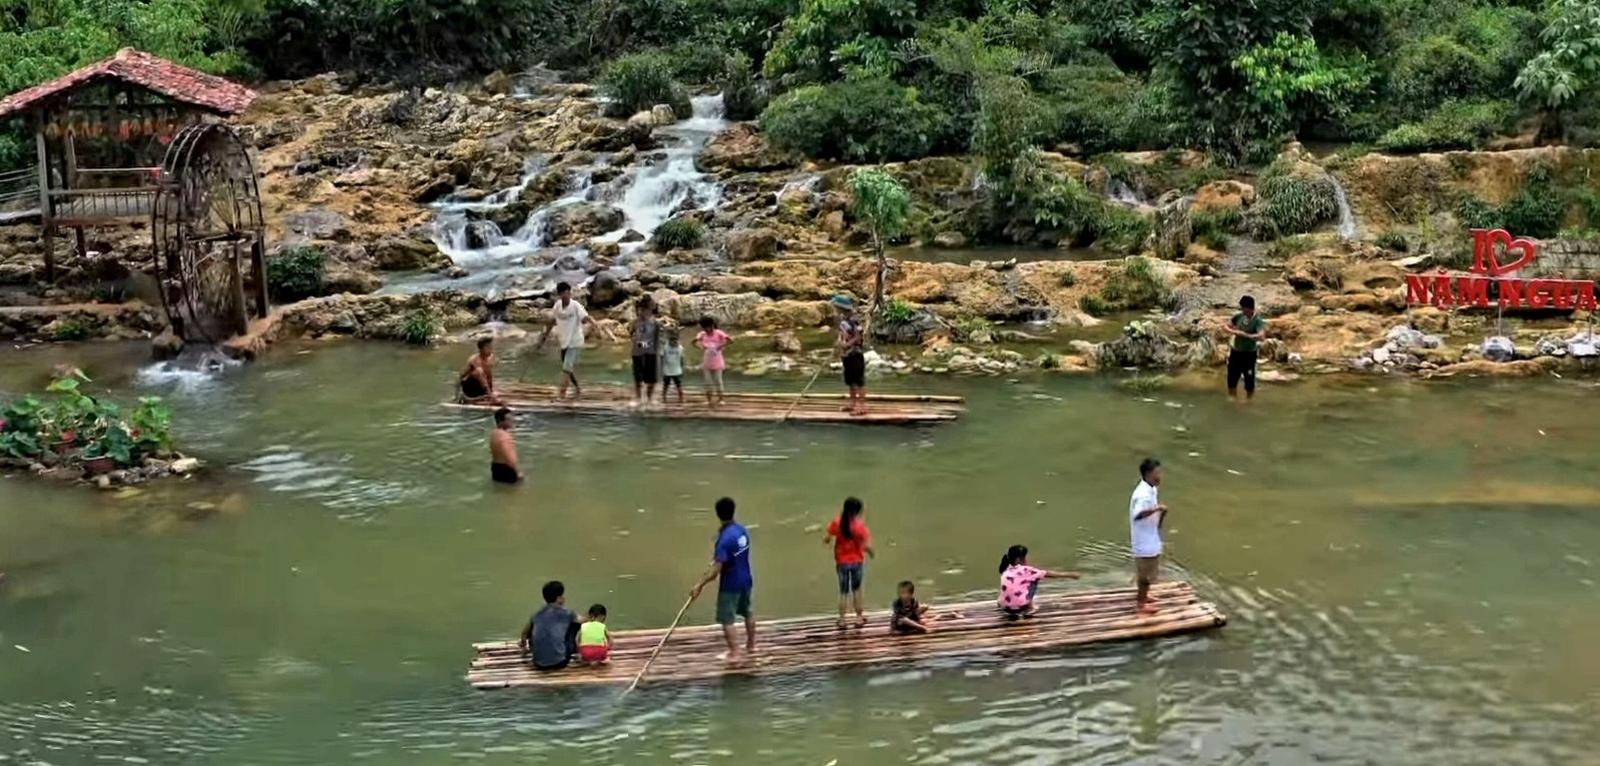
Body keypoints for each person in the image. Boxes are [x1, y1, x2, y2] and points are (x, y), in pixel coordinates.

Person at [690, 497, 755, 661]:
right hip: (746, 580)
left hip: (731, 585)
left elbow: (715, 572)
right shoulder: (742, 531)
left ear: (718, 514)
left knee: (727, 620)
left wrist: (699, 585)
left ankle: (735, 653)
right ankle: (751, 646)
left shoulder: (724, 540)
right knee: (747, 612)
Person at [536, 282, 608, 400]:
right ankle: (578, 387)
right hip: (564, 341)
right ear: (559, 294)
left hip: (575, 341)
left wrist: (597, 329)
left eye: (567, 293)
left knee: (566, 368)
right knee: (568, 368)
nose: (566, 295)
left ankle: (561, 394)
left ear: (570, 293)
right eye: (563, 293)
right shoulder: (558, 306)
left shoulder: (575, 306)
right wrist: (544, 336)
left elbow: (587, 318)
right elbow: (552, 321)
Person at [823, 497, 874, 629]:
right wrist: (871, 553)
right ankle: (859, 618)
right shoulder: (860, 526)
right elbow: (866, 546)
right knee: (856, 590)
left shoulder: (837, 522)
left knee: (843, 592)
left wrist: (829, 540)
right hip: (857, 562)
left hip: (842, 563)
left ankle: (842, 620)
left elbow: (827, 539)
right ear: (857, 512)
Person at [997, 544, 1080, 619]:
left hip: (1004, 607)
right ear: (1018, 560)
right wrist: (1070, 575)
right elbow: (1048, 574)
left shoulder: (1005, 569)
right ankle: (1030, 607)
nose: (1026, 559)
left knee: (1010, 584)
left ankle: (1008, 603)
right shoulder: (1027, 570)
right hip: (1019, 608)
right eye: (1025, 558)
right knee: (1034, 580)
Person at [1130, 457, 1168, 616]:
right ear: (1147, 474)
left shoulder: (1151, 488)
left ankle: (1144, 596)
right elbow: (1138, 514)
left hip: (1151, 536)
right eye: (1156, 473)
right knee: (1145, 575)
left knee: (1150, 572)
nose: (1159, 476)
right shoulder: (1142, 495)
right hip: (1144, 541)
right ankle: (1140, 605)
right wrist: (1157, 509)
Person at [519, 580, 581, 671]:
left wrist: (524, 648)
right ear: (559, 598)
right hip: (559, 662)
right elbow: (582, 622)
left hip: (538, 663)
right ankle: (578, 651)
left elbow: (524, 634)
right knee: (575, 626)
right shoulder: (567, 613)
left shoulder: (536, 614)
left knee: (537, 628)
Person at [1224, 295, 1267, 401]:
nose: (1242, 310)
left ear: (1249, 308)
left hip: (1249, 354)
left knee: (1249, 381)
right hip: (1236, 352)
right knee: (1232, 379)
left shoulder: (1257, 320)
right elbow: (1226, 326)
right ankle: (1232, 399)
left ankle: (1249, 401)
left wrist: (1246, 335)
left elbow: (1261, 336)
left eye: (1243, 308)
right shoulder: (1239, 316)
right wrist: (1234, 332)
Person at [832, 295, 867, 416]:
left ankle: (861, 406)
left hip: (855, 354)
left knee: (859, 381)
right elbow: (842, 334)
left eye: (836, 307)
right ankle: (852, 404)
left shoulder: (854, 320)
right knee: (850, 381)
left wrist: (847, 345)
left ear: (841, 307)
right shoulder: (843, 319)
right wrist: (839, 342)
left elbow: (858, 337)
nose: (835, 309)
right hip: (846, 355)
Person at [694, 316, 732, 407]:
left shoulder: (718, 333)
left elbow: (730, 340)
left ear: (711, 325)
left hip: (717, 362)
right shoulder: (702, 334)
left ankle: (721, 399)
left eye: (707, 327)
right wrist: (701, 347)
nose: (706, 330)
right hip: (707, 362)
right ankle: (709, 400)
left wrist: (720, 346)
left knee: (718, 381)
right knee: (708, 383)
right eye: (704, 328)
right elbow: (694, 342)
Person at [630, 296, 662, 406]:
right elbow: (633, 336)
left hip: (651, 352)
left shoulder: (655, 323)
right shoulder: (636, 322)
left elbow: (657, 339)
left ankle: (649, 399)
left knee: (651, 380)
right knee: (638, 379)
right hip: (638, 353)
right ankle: (639, 399)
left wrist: (658, 351)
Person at [460, 337, 500, 404]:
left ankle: (485, 395)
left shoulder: (490, 358)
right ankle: (473, 398)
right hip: (470, 387)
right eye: (488, 348)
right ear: (481, 349)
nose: (490, 350)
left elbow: (489, 375)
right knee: (478, 371)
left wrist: (491, 390)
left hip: (480, 387)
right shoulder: (475, 360)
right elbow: (461, 377)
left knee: (485, 373)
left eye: (491, 347)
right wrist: (490, 394)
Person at [489, 407, 521, 484]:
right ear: (500, 421)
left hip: (495, 467)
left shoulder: (494, 433)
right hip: (507, 469)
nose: (512, 421)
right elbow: (509, 457)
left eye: (512, 418)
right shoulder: (505, 436)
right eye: (509, 419)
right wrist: (517, 471)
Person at [660, 327, 685, 405]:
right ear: (669, 341)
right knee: (665, 386)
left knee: (679, 386)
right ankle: (663, 399)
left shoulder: (680, 348)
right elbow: (661, 357)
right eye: (672, 341)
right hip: (667, 371)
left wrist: (682, 368)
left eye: (676, 341)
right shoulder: (665, 347)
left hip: (677, 371)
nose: (674, 343)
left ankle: (681, 400)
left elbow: (682, 359)